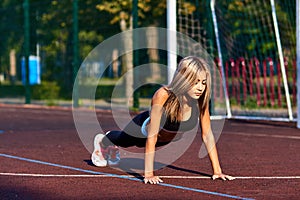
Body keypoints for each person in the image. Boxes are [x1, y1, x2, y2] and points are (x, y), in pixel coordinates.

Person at [91, 56, 235, 184]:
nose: (200, 88)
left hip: (165, 138)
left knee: (134, 143)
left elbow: (207, 135)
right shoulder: (163, 95)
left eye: (203, 82)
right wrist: (148, 174)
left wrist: (217, 171)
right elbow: (152, 135)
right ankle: (103, 141)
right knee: (124, 140)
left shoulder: (200, 100)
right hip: (143, 130)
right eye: (195, 82)